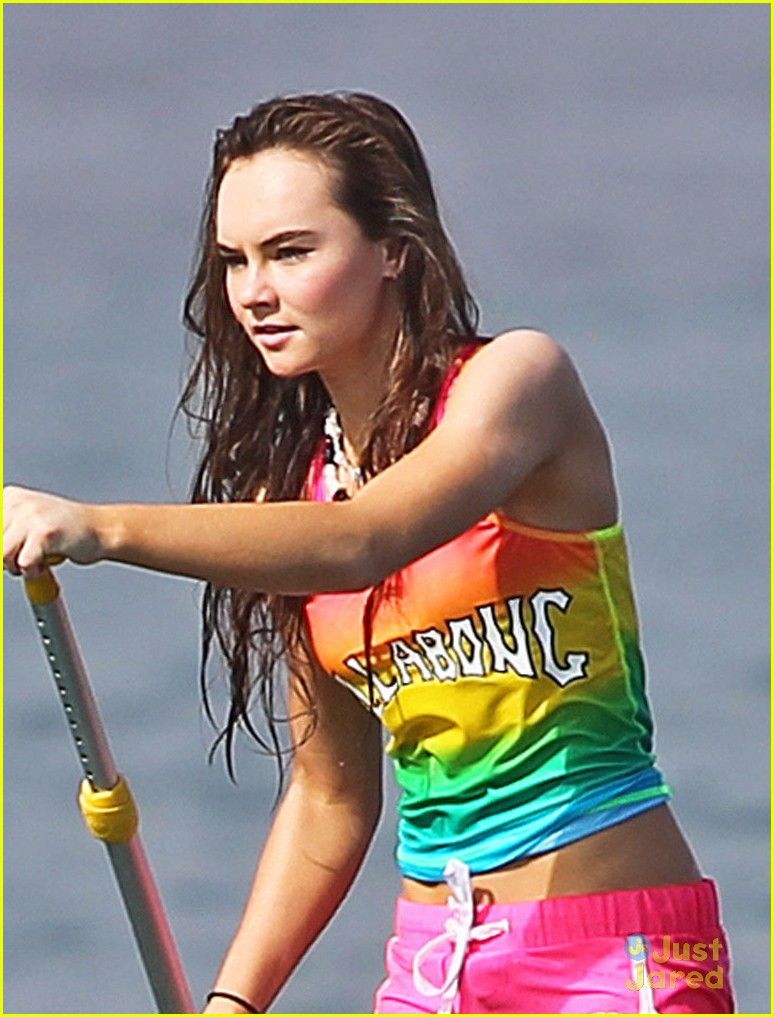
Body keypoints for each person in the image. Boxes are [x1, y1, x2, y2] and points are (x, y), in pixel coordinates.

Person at [3, 92, 735, 1015]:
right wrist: (233, 1003)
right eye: (234, 260)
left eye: (290, 252)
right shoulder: (290, 498)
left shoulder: (516, 384)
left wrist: (102, 527)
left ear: (392, 247)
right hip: (431, 972)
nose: (253, 291)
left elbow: (365, 541)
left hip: (608, 956)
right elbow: (329, 799)